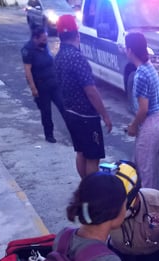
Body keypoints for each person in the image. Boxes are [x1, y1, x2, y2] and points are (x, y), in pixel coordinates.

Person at [55, 14, 112, 179]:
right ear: (77, 34)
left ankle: (85, 187)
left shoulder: (59, 57)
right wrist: (105, 115)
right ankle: (92, 193)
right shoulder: (77, 58)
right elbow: (91, 92)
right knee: (93, 157)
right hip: (87, 116)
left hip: (71, 113)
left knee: (81, 152)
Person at [125, 32, 159, 189]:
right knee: (144, 164)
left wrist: (133, 126)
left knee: (146, 172)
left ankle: (150, 208)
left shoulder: (140, 74)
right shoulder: (148, 67)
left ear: (130, 50)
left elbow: (143, 109)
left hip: (151, 123)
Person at [21, 26, 65, 143]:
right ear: (36, 38)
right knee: (46, 112)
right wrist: (33, 88)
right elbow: (28, 71)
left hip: (54, 83)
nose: (45, 42)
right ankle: (49, 135)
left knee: (64, 107)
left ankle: (74, 130)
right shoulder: (28, 50)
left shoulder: (43, 47)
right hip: (41, 86)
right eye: (43, 39)